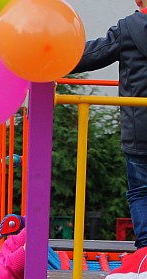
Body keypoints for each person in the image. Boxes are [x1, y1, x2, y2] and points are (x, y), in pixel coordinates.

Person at [69, 1, 147, 247]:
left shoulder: (129, 28)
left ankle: (146, 253)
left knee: (141, 192)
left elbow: (91, 55)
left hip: (140, 129)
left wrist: (48, 54)